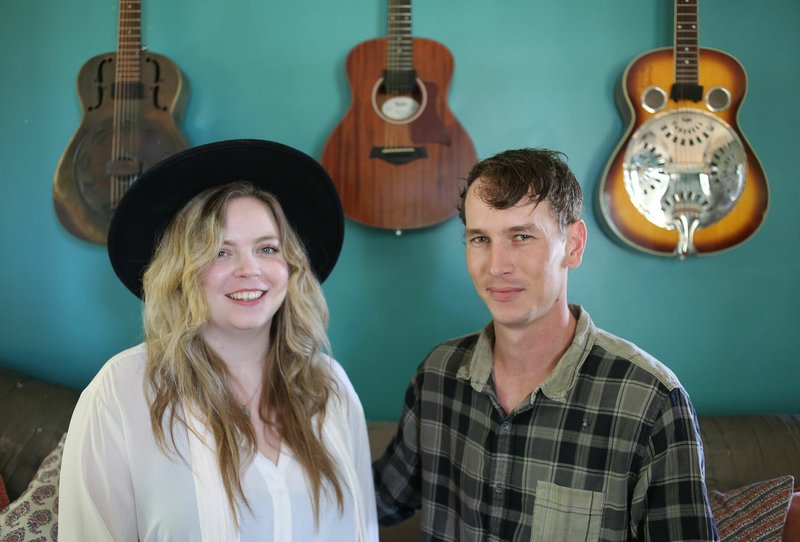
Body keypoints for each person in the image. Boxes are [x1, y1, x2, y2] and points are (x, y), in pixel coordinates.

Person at [373, 148, 718, 541]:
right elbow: (379, 500)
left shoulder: (652, 402)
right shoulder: (439, 373)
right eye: (480, 238)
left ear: (573, 245)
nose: (497, 265)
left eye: (521, 236)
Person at [59, 140, 379, 541]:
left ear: (291, 265)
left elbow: (364, 531)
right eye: (220, 252)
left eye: (267, 248)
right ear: (182, 271)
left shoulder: (330, 388)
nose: (250, 270)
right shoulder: (120, 396)